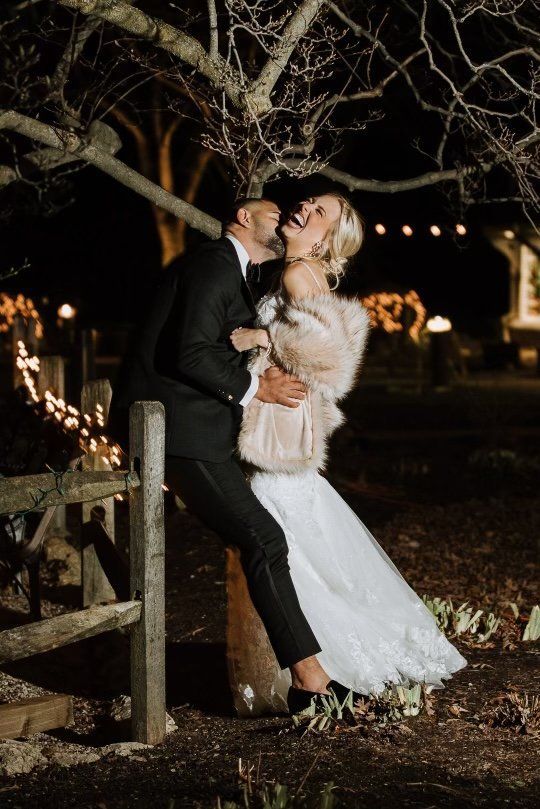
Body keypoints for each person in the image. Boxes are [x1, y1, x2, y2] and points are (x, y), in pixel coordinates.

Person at [111, 198, 354, 710]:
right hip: (181, 434)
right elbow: (191, 352)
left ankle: (309, 677)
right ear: (244, 218)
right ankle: (310, 680)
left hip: (200, 432)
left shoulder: (239, 273)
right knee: (264, 538)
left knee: (262, 540)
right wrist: (254, 390)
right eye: (274, 213)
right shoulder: (213, 264)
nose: (287, 214)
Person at [232, 193, 467, 712]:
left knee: (281, 546)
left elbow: (325, 361)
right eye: (311, 200)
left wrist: (256, 336)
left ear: (326, 239)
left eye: (320, 213)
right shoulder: (296, 273)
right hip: (284, 434)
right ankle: (311, 661)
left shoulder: (296, 275)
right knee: (299, 547)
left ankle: (323, 665)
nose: (305, 208)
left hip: (279, 440)